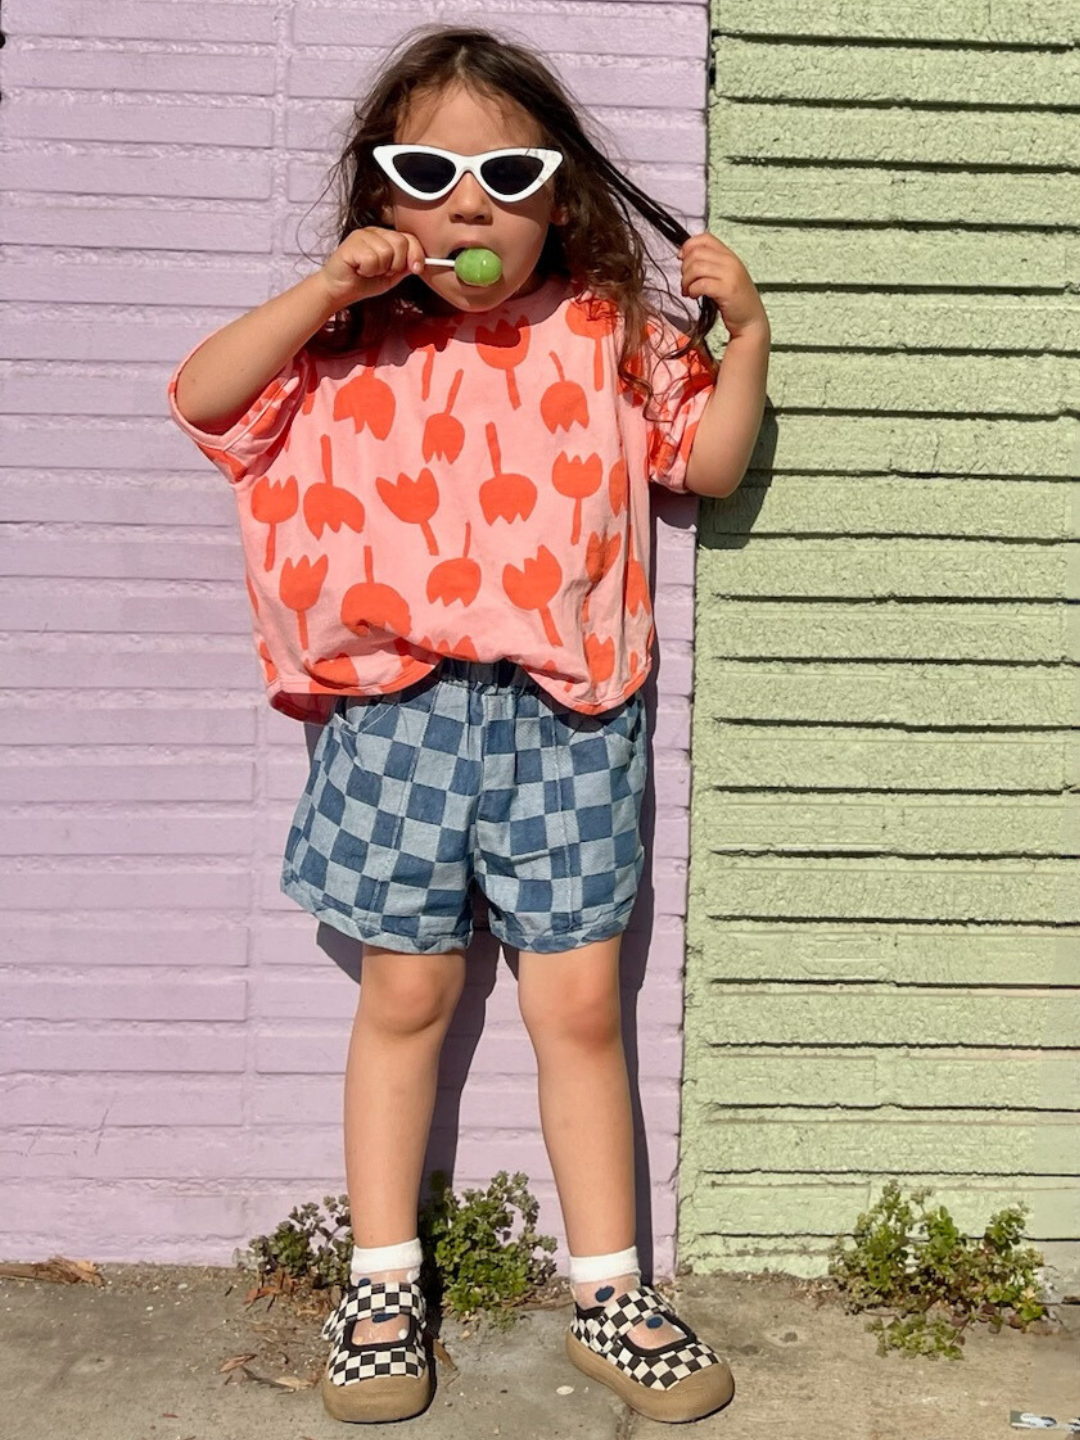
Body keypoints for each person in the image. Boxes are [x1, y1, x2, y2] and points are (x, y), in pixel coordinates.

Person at [167, 22, 769, 1427]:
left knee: (577, 1008)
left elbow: (713, 465)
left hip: (572, 715)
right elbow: (202, 402)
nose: (468, 202)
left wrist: (747, 338)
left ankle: (614, 1291)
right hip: (394, 717)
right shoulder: (344, 341)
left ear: (560, 195)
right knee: (408, 997)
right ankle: (381, 1280)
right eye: (426, 168)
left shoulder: (612, 334)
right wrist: (326, 285)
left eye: (508, 170)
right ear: (383, 192)